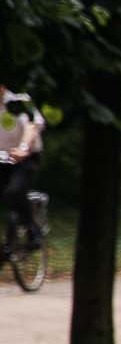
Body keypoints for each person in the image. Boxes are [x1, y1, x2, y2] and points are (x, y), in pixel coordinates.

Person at [0, 79, 45, 245]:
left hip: (25, 158)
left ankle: (32, 230)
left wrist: (23, 148)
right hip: (2, 158)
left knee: (14, 191)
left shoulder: (20, 101)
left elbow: (31, 127)